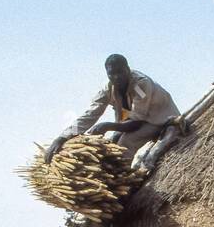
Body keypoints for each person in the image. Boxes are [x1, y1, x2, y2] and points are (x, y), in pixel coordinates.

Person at [44, 54, 183, 162]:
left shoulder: (141, 84)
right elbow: (90, 114)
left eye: (120, 72)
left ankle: (124, 183)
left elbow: (138, 121)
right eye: (111, 74)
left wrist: (109, 126)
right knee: (110, 143)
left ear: (128, 70)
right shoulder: (108, 88)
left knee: (125, 143)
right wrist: (63, 137)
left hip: (158, 118)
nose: (116, 77)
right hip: (131, 121)